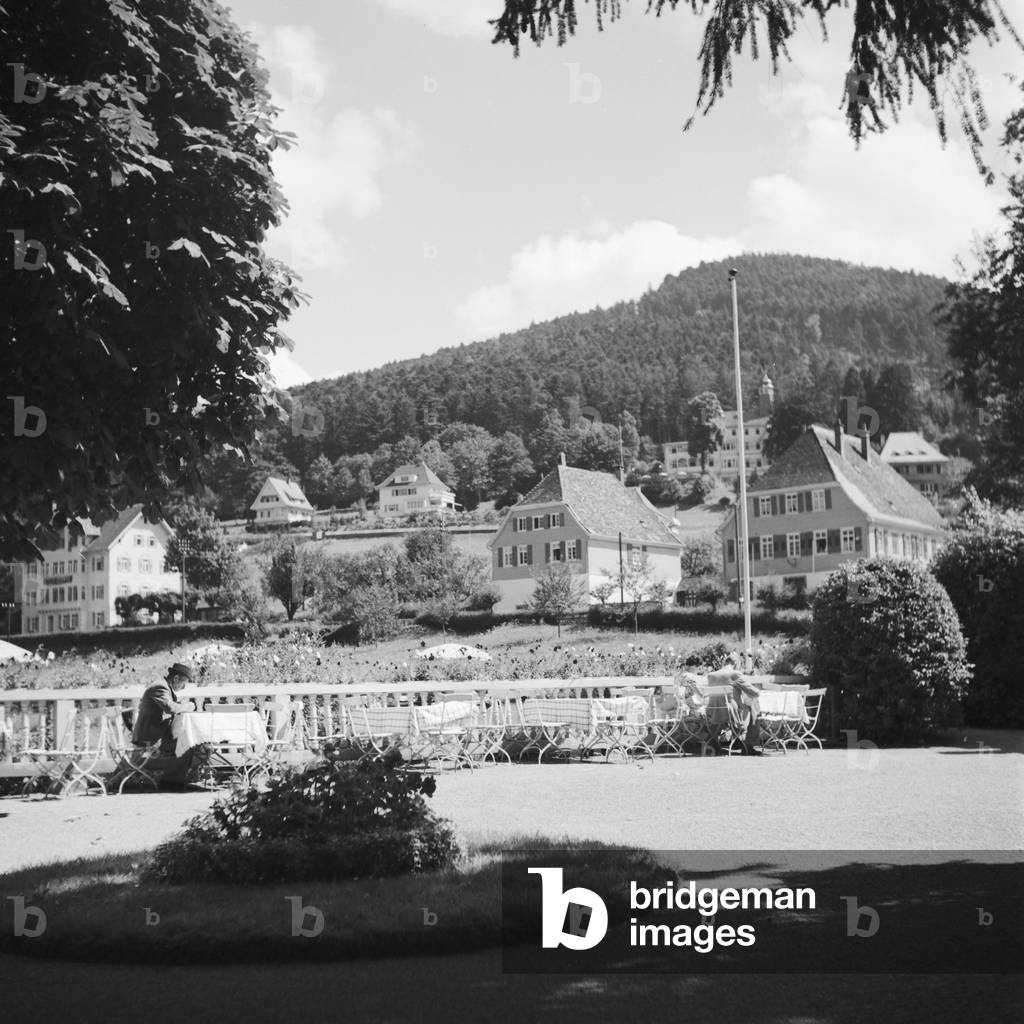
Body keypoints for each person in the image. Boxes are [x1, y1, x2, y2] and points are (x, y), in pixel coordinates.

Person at [133, 662, 199, 788]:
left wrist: (181, 705)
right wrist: (188, 706)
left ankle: (173, 780)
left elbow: (171, 705)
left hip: (159, 734)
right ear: (175, 678)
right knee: (186, 744)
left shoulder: (164, 687)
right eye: (183, 683)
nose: (184, 687)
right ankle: (171, 782)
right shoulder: (160, 687)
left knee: (189, 742)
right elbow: (170, 708)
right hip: (150, 737)